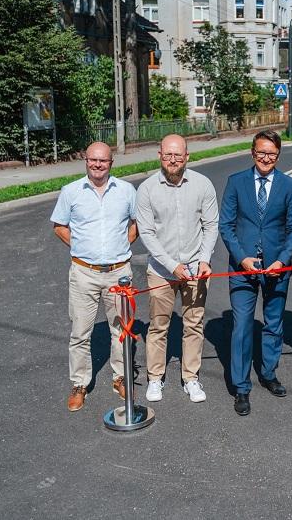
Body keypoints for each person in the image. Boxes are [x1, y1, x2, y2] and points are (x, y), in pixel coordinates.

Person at [219, 130, 292, 416]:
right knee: (242, 326)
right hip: (242, 269)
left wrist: (282, 260)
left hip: (277, 269)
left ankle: (269, 373)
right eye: (261, 152)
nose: (266, 158)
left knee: (273, 323)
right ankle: (241, 387)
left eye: (272, 154)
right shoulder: (235, 182)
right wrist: (241, 258)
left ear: (278, 156)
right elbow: (226, 226)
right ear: (252, 152)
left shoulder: (289, 185)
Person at [50, 142, 138, 412]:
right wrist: (80, 249)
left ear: (111, 162)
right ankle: (79, 384)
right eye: (92, 160)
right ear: (85, 160)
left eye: (103, 160)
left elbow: (135, 225)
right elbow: (59, 226)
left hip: (118, 274)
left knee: (121, 331)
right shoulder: (71, 191)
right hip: (83, 273)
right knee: (79, 333)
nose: (97, 165)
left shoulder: (126, 190)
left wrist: (119, 249)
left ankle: (120, 378)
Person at [135, 134, 219, 404]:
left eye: (178, 155)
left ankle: (191, 378)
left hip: (196, 269)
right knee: (159, 326)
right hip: (161, 270)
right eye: (168, 155)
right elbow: (146, 233)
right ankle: (155, 378)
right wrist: (173, 265)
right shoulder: (147, 189)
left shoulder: (203, 184)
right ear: (160, 155)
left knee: (193, 325)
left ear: (187, 157)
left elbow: (211, 225)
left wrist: (205, 259)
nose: (173, 160)